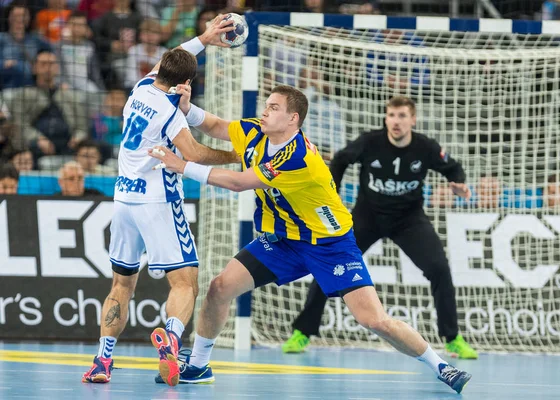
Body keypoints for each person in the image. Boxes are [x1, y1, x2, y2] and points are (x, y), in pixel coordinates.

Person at [148, 87, 472, 393]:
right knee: (220, 287)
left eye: (273, 108)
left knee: (374, 320)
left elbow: (238, 182)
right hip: (283, 239)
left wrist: (182, 165)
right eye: (266, 105)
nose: (265, 112)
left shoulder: (298, 157)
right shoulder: (254, 131)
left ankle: (442, 367)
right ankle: (200, 366)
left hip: (330, 244)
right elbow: (217, 125)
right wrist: (188, 109)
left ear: (293, 119)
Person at [81, 15, 236, 386]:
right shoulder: (171, 114)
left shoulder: (141, 87)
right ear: (184, 84)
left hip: (123, 199)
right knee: (186, 283)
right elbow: (195, 154)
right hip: (159, 202)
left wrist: (203, 38)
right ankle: (169, 335)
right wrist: (236, 156)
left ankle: (102, 362)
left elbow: (174, 58)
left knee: (121, 285)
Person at [279, 96, 479, 360]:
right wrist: (333, 191)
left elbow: (452, 167)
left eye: (402, 116)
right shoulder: (370, 141)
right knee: (330, 266)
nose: (396, 121)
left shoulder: (425, 147)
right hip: (367, 216)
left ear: (413, 120)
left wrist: (458, 182)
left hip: (409, 219)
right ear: (386, 118)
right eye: (392, 115)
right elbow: (340, 159)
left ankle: (452, 339)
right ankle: (303, 332)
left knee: (439, 269)